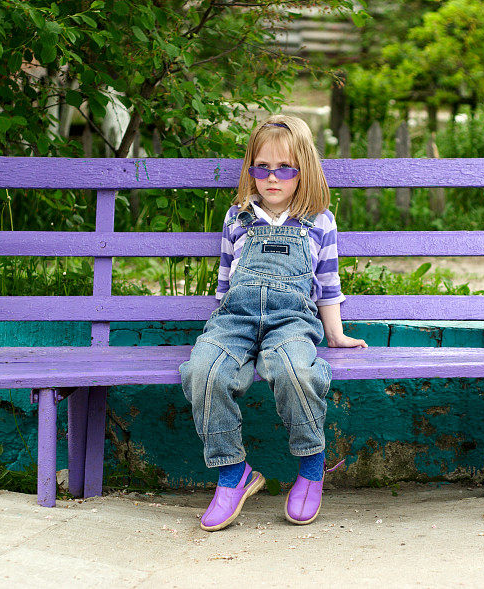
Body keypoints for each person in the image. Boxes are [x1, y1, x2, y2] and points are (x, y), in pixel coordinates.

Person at [179, 114, 368, 532]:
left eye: (284, 168)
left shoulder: (320, 222)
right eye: (261, 167)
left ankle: (311, 466)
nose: (272, 178)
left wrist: (334, 334)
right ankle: (234, 473)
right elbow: (225, 281)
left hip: (291, 322)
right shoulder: (238, 218)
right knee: (202, 371)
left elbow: (328, 285)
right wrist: (220, 335)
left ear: (303, 170)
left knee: (296, 370)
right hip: (236, 318)